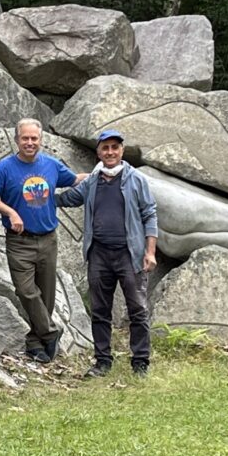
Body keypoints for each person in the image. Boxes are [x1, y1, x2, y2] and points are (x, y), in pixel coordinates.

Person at [0, 118, 86, 363]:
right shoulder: (4, 168)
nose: (30, 143)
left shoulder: (51, 165)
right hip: (19, 241)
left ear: (40, 140)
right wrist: (11, 212)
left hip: (48, 239)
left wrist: (103, 171)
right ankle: (50, 332)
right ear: (17, 140)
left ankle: (35, 343)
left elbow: (73, 179)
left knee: (46, 295)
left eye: (34, 138)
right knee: (26, 291)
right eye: (25, 138)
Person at [57, 129, 158, 378]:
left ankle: (140, 362)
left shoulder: (136, 180)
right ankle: (102, 361)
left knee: (137, 309)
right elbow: (69, 199)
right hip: (98, 254)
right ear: (98, 152)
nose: (110, 152)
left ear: (122, 150)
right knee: (100, 310)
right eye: (105, 148)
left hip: (129, 254)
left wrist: (150, 252)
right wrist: (35, 196)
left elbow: (150, 214)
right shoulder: (93, 180)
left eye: (115, 147)